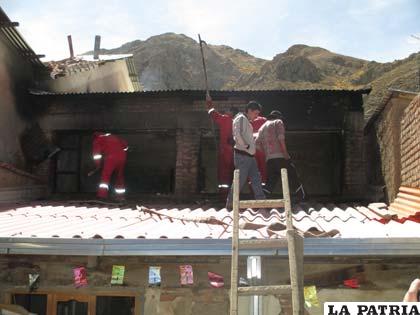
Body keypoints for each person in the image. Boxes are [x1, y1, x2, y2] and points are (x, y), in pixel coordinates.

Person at [256, 110, 305, 199]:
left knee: (271, 180)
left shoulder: (262, 127)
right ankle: (301, 196)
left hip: (269, 159)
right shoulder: (278, 122)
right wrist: (285, 153)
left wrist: (267, 153)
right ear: (278, 117)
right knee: (292, 174)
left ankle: (263, 197)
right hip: (280, 157)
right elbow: (281, 138)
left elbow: (257, 144)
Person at [226, 101, 266, 208]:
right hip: (243, 156)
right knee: (239, 181)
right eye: (256, 113)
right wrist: (246, 146)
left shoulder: (246, 121)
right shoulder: (240, 119)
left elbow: (243, 135)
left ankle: (261, 203)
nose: (257, 116)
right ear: (249, 111)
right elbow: (237, 134)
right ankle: (230, 204)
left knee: (256, 179)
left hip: (249, 156)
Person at [206, 94, 238, 197]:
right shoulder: (237, 122)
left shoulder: (226, 119)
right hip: (235, 151)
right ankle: (233, 194)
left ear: (232, 113)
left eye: (228, 110)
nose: (226, 111)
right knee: (233, 173)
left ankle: (224, 195)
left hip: (225, 150)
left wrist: (209, 102)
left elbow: (213, 114)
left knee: (223, 173)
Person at [89, 132, 128, 201]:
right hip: (122, 157)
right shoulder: (113, 136)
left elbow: (96, 155)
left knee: (105, 176)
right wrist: (120, 151)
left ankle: (102, 196)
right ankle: (120, 197)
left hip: (111, 158)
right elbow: (125, 146)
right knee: (119, 176)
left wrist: (97, 165)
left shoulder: (97, 140)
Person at [251, 114, 267, 186]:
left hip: (252, 150)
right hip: (262, 148)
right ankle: (263, 187)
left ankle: (253, 188)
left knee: (253, 169)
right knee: (263, 168)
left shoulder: (249, 121)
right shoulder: (264, 120)